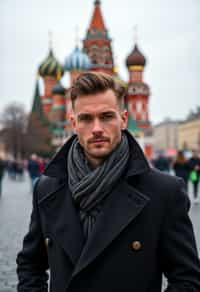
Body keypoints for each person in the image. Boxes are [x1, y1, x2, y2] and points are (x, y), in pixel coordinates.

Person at [16, 72, 200, 292]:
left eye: (106, 116)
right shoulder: (47, 189)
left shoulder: (164, 192)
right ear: (73, 123)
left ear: (123, 120)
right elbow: (30, 265)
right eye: (86, 118)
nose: (96, 129)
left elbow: (187, 279)